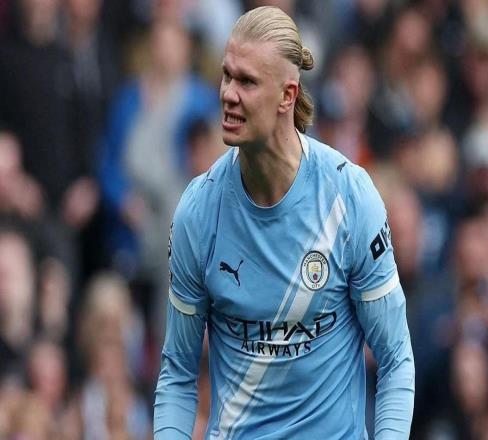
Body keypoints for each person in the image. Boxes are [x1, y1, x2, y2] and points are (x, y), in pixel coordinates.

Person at [154, 6, 415, 439]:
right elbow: (178, 373)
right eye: (226, 75)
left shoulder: (348, 198)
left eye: (247, 81)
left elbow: (395, 359)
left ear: (287, 96)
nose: (228, 94)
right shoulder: (197, 212)